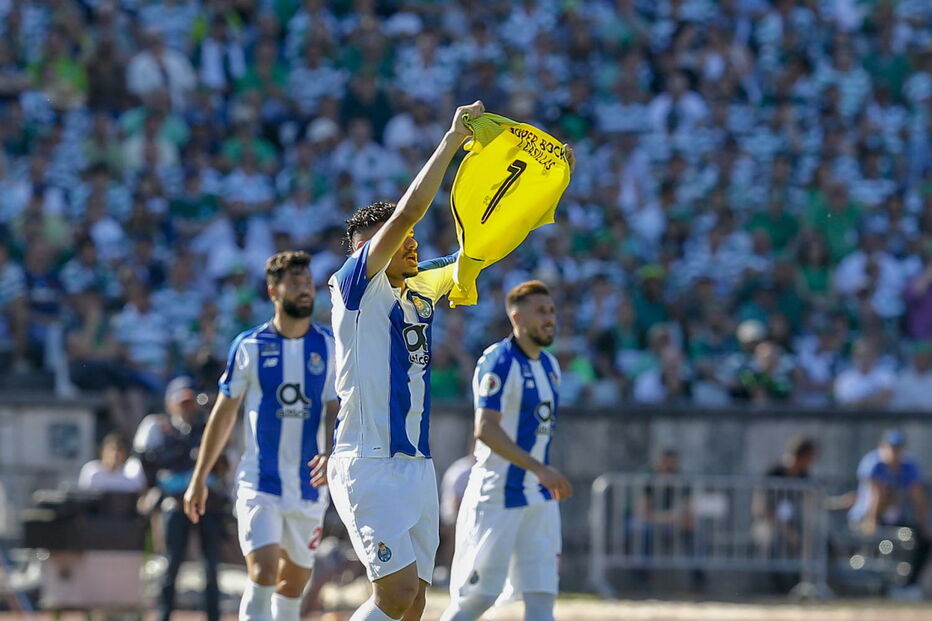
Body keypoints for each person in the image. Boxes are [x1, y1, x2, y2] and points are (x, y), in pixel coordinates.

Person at [326, 101, 485, 621]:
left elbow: (482, 247)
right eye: (397, 237)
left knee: (412, 605)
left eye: (412, 238)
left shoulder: (420, 287)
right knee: (393, 598)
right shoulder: (354, 287)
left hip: (417, 466)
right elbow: (410, 211)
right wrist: (451, 140)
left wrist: (543, 179)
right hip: (368, 460)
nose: (410, 240)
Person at [183, 251, 339, 621]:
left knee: (292, 585)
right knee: (263, 572)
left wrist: (334, 453)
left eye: (307, 284)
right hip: (259, 480)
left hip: (309, 484)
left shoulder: (331, 347)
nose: (304, 290)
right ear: (273, 291)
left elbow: (338, 410)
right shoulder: (250, 346)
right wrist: (199, 478)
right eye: (295, 284)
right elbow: (223, 415)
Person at [440, 280, 572, 621]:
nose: (550, 318)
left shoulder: (551, 367)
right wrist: (539, 468)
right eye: (541, 311)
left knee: (542, 596)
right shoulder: (498, 361)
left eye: (552, 311)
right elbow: (485, 428)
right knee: (477, 599)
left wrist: (541, 473)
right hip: (498, 492)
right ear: (517, 317)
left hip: (539, 497)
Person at [136, 377, 227, 621]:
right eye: (182, 403)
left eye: (190, 403)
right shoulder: (159, 429)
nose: (187, 408)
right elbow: (147, 464)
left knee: (211, 566)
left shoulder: (208, 428)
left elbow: (225, 465)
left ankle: (213, 616)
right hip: (174, 504)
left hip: (208, 505)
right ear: (170, 403)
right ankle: (164, 615)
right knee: (171, 563)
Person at [848, 430, 930, 590]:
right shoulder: (874, 463)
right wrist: (871, 521)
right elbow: (876, 496)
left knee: (923, 541)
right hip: (866, 517)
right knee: (877, 545)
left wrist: (924, 525)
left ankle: (908, 586)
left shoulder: (908, 466)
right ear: (882, 448)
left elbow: (918, 498)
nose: (894, 453)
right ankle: (872, 588)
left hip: (895, 520)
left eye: (898, 449)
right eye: (891, 448)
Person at [78, 432, 146, 493]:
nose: (116, 454)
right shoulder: (91, 471)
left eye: (120, 450)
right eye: (112, 449)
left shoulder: (131, 474)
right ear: (103, 451)